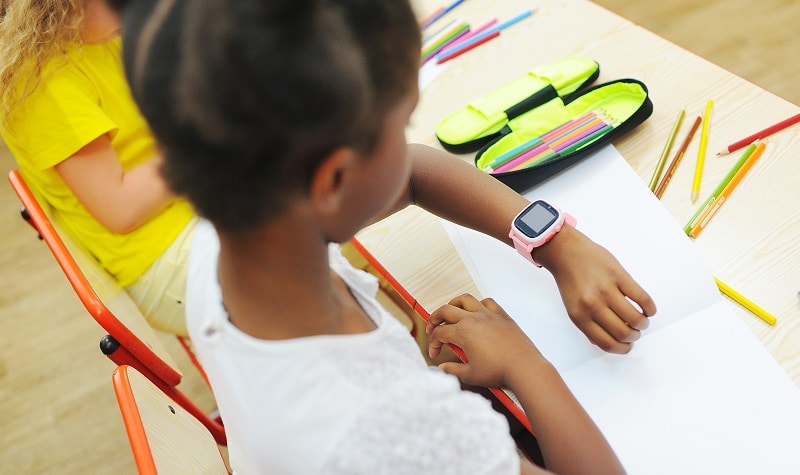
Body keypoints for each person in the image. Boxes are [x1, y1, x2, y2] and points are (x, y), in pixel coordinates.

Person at [113, 0, 657, 473]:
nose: (408, 143)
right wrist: (523, 363)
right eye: (401, 126)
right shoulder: (392, 431)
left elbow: (417, 172)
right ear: (334, 179)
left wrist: (554, 242)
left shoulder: (227, 234)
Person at [0, 0, 193, 336]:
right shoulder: (41, 83)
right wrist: (209, 142)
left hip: (188, 216)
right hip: (163, 260)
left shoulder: (95, 36)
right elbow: (120, 207)